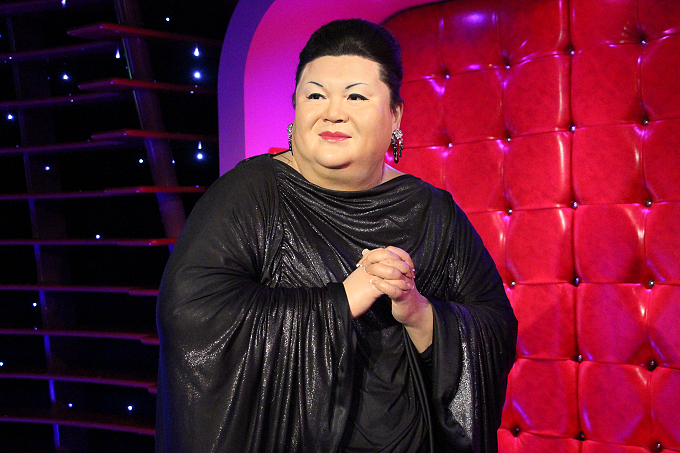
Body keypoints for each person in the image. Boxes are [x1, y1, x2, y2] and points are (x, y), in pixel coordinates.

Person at [156, 18, 517, 453]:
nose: (332, 112)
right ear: (295, 107)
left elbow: (495, 328)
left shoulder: (431, 211)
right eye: (315, 95)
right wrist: (344, 299)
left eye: (356, 96)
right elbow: (190, 315)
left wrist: (419, 313)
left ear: (395, 115)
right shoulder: (250, 193)